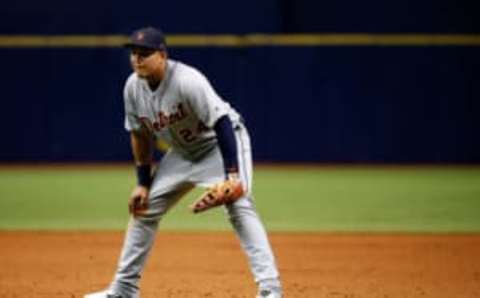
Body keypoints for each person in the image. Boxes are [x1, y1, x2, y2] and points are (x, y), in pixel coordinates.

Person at [84, 27, 283, 298]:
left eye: (145, 53)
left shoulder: (187, 80)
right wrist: (143, 183)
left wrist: (232, 175)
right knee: (143, 209)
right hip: (182, 153)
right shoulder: (132, 87)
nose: (137, 59)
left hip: (219, 145)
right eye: (133, 53)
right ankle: (123, 291)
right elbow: (140, 135)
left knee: (238, 203)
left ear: (163, 55)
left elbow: (221, 122)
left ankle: (271, 290)